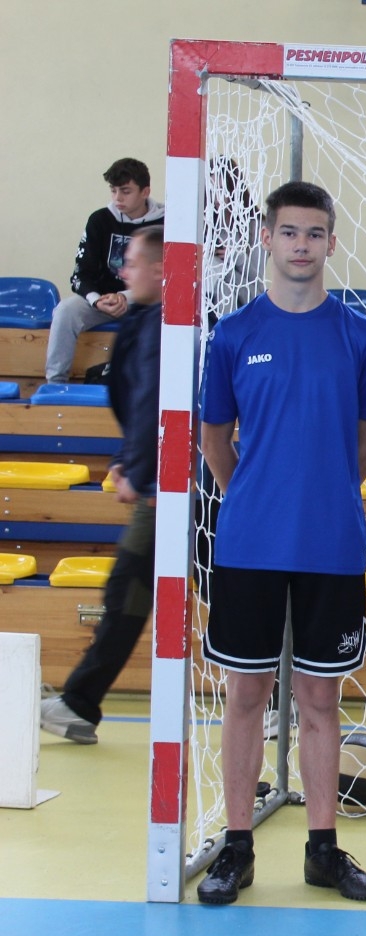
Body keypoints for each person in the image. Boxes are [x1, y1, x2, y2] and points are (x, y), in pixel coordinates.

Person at [194, 181, 366, 906]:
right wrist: (255, 492)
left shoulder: (361, 337)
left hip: (330, 542)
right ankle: (237, 847)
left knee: (318, 698)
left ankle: (322, 849)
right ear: (268, 239)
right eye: (289, 232)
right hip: (249, 543)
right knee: (246, 693)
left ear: (331, 242)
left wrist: (322, 492)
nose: (301, 245)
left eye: (314, 233)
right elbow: (215, 439)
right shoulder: (234, 334)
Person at [38, 226, 165, 745]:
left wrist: (140, 469)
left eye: (132, 263)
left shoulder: (164, 326)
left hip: (174, 492)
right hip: (164, 484)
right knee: (131, 594)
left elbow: (157, 402)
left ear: (160, 269)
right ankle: (79, 704)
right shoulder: (143, 319)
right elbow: (138, 402)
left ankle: (78, 703)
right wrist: (125, 459)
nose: (123, 272)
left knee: (129, 592)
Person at [45, 158, 165, 383]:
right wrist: (96, 300)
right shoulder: (99, 220)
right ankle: (55, 383)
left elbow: (168, 276)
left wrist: (125, 297)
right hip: (101, 301)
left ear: (145, 191)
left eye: (125, 191)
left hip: (148, 303)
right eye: (113, 190)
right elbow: (80, 274)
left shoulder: (166, 223)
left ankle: (155, 385)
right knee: (65, 310)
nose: (118, 198)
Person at [204, 157, 268, 325]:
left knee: (223, 287)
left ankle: (228, 334)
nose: (217, 197)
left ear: (234, 188)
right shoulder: (206, 225)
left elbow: (256, 284)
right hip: (209, 297)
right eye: (211, 190)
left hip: (247, 297)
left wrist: (236, 257)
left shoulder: (257, 225)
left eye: (221, 189)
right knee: (218, 285)